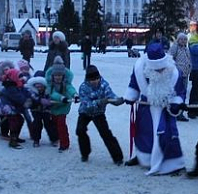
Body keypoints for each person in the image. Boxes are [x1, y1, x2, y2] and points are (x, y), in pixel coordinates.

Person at [123, 43, 186, 175]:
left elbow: (180, 91)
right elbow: (134, 83)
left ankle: (173, 163)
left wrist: (177, 102)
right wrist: (131, 95)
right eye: (156, 70)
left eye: (161, 69)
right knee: (143, 133)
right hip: (146, 107)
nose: (159, 72)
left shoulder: (174, 72)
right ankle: (144, 157)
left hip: (166, 108)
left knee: (168, 134)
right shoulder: (140, 68)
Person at [76, 65, 124, 164]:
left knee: (105, 133)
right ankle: (85, 153)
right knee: (80, 130)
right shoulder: (83, 87)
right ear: (87, 79)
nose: (95, 81)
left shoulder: (104, 84)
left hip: (99, 113)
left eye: (97, 79)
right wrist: (100, 102)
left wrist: (118, 101)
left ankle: (118, 157)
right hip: (85, 112)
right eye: (92, 80)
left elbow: (110, 95)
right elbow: (87, 105)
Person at [46, 56, 77, 152]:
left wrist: (75, 95)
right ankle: (55, 138)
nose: (58, 77)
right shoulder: (50, 85)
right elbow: (52, 94)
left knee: (61, 124)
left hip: (63, 106)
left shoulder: (65, 84)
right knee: (54, 124)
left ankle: (64, 143)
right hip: (54, 105)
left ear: (64, 76)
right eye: (56, 75)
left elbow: (70, 89)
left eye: (60, 75)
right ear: (52, 76)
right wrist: (61, 98)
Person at [0, 69, 31, 149]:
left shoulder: (17, 85)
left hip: (11, 106)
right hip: (6, 107)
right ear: (14, 77)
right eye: (19, 77)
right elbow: (18, 98)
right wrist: (26, 101)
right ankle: (13, 140)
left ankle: (15, 137)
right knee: (15, 121)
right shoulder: (10, 87)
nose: (21, 78)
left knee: (20, 120)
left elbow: (23, 93)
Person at [26, 74, 58, 148]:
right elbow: (31, 101)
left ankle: (54, 139)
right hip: (36, 111)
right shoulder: (32, 93)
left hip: (46, 111)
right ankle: (36, 140)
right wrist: (38, 102)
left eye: (41, 86)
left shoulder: (48, 92)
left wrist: (50, 103)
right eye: (37, 87)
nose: (39, 88)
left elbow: (52, 100)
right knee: (37, 124)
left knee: (49, 125)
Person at [168, 32, 191, 122]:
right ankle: (174, 111)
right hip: (177, 75)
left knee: (183, 93)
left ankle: (180, 112)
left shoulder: (186, 49)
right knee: (177, 93)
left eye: (185, 39)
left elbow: (189, 60)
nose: (183, 41)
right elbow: (170, 58)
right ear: (178, 40)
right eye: (181, 39)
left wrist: (189, 68)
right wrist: (174, 70)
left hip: (185, 74)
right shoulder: (175, 47)